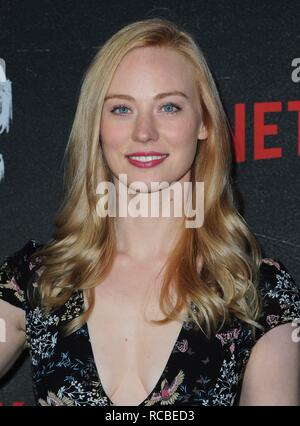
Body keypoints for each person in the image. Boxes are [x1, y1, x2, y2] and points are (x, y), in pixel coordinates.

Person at [0, 17, 300, 407]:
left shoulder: (257, 292)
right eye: (122, 109)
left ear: (204, 122)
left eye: (169, 107)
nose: (144, 132)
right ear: (97, 125)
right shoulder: (36, 280)